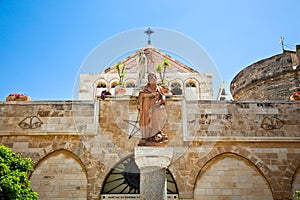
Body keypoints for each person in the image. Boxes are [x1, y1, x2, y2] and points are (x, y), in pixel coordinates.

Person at [137, 73, 168, 146]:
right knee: (146, 119)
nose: (153, 80)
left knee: (158, 113)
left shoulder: (159, 88)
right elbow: (141, 95)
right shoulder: (145, 88)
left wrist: (161, 101)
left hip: (156, 106)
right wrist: (151, 95)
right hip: (147, 107)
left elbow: (163, 96)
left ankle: (157, 133)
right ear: (148, 81)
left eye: (154, 78)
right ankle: (146, 136)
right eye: (151, 79)